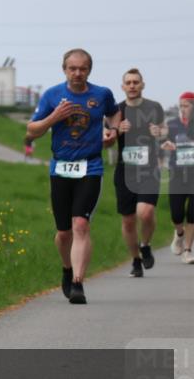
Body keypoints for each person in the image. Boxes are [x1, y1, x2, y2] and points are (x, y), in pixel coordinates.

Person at [26, 49, 120, 304]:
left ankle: (78, 282)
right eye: (72, 68)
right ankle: (67, 268)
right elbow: (32, 130)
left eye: (83, 68)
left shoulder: (101, 94)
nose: (78, 73)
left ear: (89, 70)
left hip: (90, 167)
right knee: (64, 232)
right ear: (64, 69)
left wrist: (112, 130)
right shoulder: (52, 95)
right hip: (61, 167)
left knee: (81, 224)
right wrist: (55, 116)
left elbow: (113, 112)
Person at [111, 68, 166, 277]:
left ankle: (146, 245)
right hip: (125, 171)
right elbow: (107, 139)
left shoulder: (154, 107)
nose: (132, 85)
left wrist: (159, 133)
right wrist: (117, 131)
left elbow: (164, 130)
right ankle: (135, 260)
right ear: (123, 87)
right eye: (128, 82)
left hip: (149, 169)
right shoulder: (116, 110)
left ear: (142, 85)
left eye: (136, 82)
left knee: (146, 212)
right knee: (128, 220)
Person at [162, 92, 194, 264]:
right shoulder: (172, 124)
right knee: (176, 213)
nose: (183, 109)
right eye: (181, 106)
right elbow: (163, 141)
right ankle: (179, 233)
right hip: (177, 172)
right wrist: (166, 144)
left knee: (192, 213)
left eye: (186, 105)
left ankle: (188, 250)